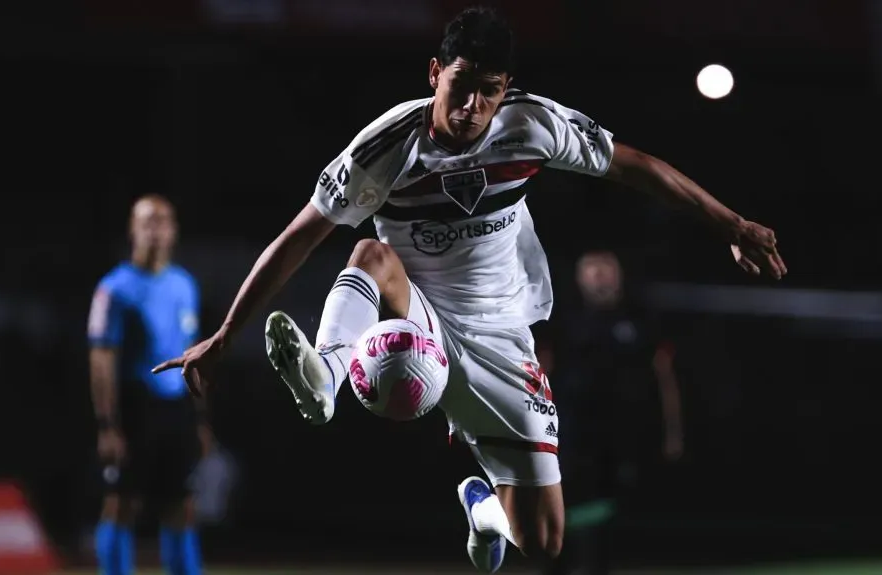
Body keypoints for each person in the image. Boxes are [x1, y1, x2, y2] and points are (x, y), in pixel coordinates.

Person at [153, 6, 787, 572]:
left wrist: (730, 223)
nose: (471, 108)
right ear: (434, 73)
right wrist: (226, 334)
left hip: (507, 339)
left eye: (488, 92)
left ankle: (483, 508)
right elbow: (297, 236)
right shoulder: (388, 147)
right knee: (370, 252)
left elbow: (635, 166)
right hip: (418, 317)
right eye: (461, 87)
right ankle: (327, 376)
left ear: (505, 88)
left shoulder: (531, 126)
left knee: (544, 542)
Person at [88, 195, 211, 575]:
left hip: (175, 409)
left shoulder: (184, 285)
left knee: (181, 506)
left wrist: (201, 418)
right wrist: (107, 425)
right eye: (147, 221)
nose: (155, 229)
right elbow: (101, 358)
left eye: (163, 221)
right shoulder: (114, 289)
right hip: (134, 406)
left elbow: (194, 355)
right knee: (122, 503)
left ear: (174, 231)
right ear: (132, 229)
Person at [545, 250, 684, 574]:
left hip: (623, 434)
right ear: (579, 278)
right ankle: (556, 565)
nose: (600, 277)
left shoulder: (641, 319)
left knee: (610, 508)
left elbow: (665, 377)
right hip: (570, 432)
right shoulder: (561, 320)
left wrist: (673, 432)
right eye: (592, 270)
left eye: (606, 269)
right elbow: (540, 373)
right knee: (561, 503)